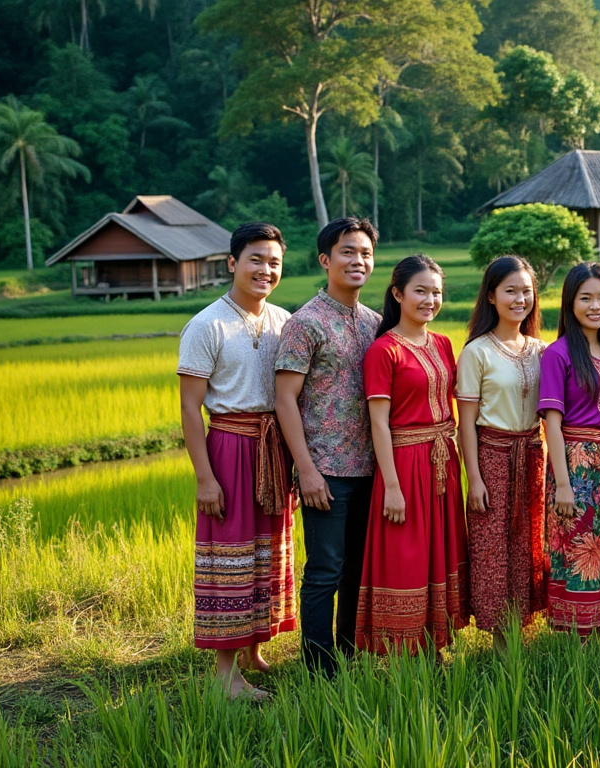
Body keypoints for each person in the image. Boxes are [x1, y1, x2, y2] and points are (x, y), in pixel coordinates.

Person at [177, 222, 296, 700]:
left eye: (274, 262)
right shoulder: (207, 324)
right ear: (232, 263)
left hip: (273, 448)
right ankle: (227, 675)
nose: (266, 270)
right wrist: (205, 478)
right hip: (230, 445)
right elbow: (190, 408)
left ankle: (253, 650)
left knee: (267, 548)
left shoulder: (283, 321)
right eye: (256, 259)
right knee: (231, 554)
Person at [273, 217, 380, 676]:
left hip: (371, 468)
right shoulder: (305, 324)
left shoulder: (376, 322)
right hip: (327, 471)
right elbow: (284, 399)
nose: (358, 261)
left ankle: (347, 653)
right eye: (347, 252)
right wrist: (307, 469)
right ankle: (318, 668)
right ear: (325, 260)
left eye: (365, 254)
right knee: (325, 572)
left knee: (357, 569)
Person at [356, 256, 470, 656]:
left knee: (440, 548)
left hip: (443, 461)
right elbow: (378, 423)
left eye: (436, 292)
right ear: (397, 293)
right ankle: (401, 647)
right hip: (404, 464)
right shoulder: (383, 351)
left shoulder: (442, 343)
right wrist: (391, 486)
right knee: (407, 551)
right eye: (420, 291)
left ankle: (434, 643)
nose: (430, 299)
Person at [538, 262, 600, 638]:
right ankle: (576, 637)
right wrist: (563, 483)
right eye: (586, 298)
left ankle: (598, 633)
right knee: (579, 546)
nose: (596, 305)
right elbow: (552, 423)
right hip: (575, 466)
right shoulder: (558, 354)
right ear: (570, 302)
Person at [456, 256, 547, 649]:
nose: (519, 299)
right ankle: (498, 633)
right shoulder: (477, 352)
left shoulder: (542, 349)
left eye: (526, 291)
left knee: (529, 540)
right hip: (492, 455)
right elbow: (465, 423)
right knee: (492, 544)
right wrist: (474, 478)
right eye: (510, 290)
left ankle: (523, 625)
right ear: (491, 296)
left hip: (533, 453)